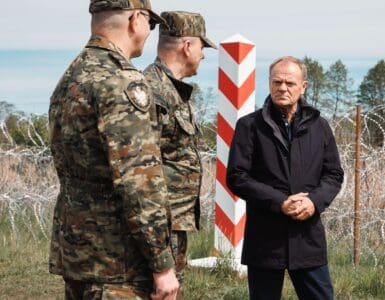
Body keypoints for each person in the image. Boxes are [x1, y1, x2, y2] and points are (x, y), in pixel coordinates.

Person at [48, 1, 180, 299]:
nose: (149, 32)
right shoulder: (123, 81)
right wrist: (162, 265)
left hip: (77, 253)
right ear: (136, 19)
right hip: (118, 264)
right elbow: (139, 182)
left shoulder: (71, 76)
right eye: (151, 23)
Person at [226, 56, 344, 300]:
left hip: (307, 237)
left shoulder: (319, 127)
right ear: (269, 84)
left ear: (304, 86)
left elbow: (333, 173)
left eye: (290, 83)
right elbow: (237, 176)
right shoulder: (250, 126)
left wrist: (314, 201)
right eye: (276, 82)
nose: (282, 88)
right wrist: (279, 201)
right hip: (265, 238)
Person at [143, 11, 216, 278]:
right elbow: (140, 168)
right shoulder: (152, 90)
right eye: (201, 46)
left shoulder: (172, 91)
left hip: (172, 221)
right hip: (157, 224)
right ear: (187, 46)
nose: (203, 54)